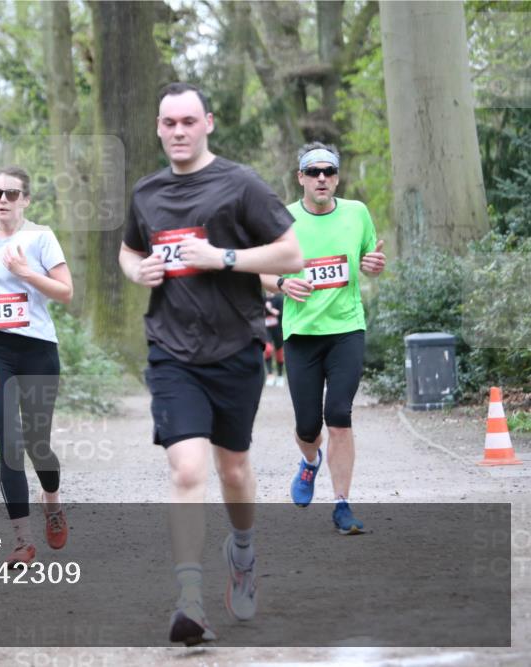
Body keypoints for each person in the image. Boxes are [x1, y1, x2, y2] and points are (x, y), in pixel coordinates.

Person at [118, 82, 303, 645]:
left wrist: (223, 256)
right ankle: (191, 599)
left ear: (208, 124)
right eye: (169, 122)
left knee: (234, 471)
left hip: (235, 348)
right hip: (172, 351)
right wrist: (138, 271)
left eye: (188, 122)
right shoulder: (146, 193)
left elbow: (291, 253)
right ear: (158, 127)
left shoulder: (240, 184)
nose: (178, 131)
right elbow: (129, 249)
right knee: (188, 471)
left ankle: (242, 551)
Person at [261, 142, 385, 535]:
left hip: (347, 330)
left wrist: (374, 265)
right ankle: (310, 463)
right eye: (312, 171)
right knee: (307, 426)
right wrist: (282, 283)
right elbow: (257, 272)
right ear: (300, 177)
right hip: (301, 335)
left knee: (339, 418)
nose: (321, 178)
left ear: (336, 177)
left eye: (328, 172)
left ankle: (342, 505)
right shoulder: (282, 220)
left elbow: (370, 261)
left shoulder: (357, 214)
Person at [0, 166, 74, 567]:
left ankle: (53, 502)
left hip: (38, 350)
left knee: (37, 444)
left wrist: (26, 273)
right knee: (9, 443)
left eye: (11, 194)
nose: (3, 201)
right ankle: (22, 541)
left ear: (25, 200)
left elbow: (65, 292)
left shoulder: (41, 238)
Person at [264, 292, 285, 386]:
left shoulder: (279, 298)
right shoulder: (262, 298)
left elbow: (280, 313)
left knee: (279, 353)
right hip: (266, 329)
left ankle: (280, 376)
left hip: (278, 329)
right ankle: (270, 375)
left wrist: (270, 308)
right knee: (268, 350)